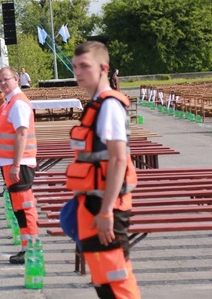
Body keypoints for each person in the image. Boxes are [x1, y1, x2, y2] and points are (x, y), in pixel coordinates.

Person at [67, 41, 140, 298]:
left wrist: (107, 211)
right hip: (91, 204)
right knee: (103, 281)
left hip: (106, 207)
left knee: (116, 279)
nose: (78, 72)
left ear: (103, 68)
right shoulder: (96, 105)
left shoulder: (109, 106)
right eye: (75, 67)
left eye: (85, 66)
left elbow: (119, 160)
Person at [0, 66, 39, 265]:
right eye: (0, 80)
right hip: (10, 162)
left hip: (18, 163)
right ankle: (26, 247)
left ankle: (31, 249)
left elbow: (21, 134)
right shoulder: (9, 101)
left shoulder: (18, 103)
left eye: (6, 79)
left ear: (17, 79)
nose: (3, 83)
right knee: (19, 208)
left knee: (25, 206)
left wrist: (16, 165)